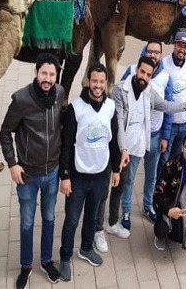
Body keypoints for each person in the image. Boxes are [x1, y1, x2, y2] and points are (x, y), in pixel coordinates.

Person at [95, 56, 186, 250]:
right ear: (136, 69)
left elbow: (165, 105)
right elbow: (119, 123)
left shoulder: (148, 91)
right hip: (117, 149)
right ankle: (97, 230)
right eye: (142, 72)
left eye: (148, 74)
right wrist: (122, 150)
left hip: (136, 149)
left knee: (123, 185)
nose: (144, 77)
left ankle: (112, 222)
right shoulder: (121, 90)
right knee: (104, 189)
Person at [0, 53, 65, 288]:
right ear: (36, 73)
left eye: (52, 74)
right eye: (44, 73)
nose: (47, 79)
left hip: (52, 171)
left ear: (56, 76)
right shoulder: (21, 100)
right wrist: (12, 163)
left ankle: (46, 261)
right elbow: (5, 132)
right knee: (27, 222)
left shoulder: (60, 94)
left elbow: (62, 126)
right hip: (27, 174)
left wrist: (64, 171)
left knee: (49, 217)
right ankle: (26, 266)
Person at [58, 64, 122, 281]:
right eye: (94, 81)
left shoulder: (111, 107)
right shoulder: (76, 108)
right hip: (78, 176)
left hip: (101, 174)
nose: (97, 86)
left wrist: (115, 169)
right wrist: (64, 176)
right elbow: (66, 144)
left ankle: (85, 248)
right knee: (72, 220)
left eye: (101, 82)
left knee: (93, 216)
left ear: (106, 83)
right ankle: (65, 257)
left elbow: (113, 141)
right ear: (88, 82)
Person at [119, 41, 174, 226]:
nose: (153, 55)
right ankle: (125, 211)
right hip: (135, 136)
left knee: (151, 176)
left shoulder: (166, 77)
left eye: (156, 52)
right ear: (144, 51)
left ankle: (148, 206)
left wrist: (165, 136)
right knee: (130, 176)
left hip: (155, 136)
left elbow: (168, 108)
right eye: (149, 51)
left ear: (161, 55)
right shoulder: (133, 69)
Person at [162, 31, 186, 165]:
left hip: (184, 124)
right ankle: (159, 186)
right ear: (174, 45)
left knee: (177, 160)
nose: (182, 50)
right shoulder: (164, 64)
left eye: (185, 47)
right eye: (179, 45)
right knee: (164, 160)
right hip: (169, 124)